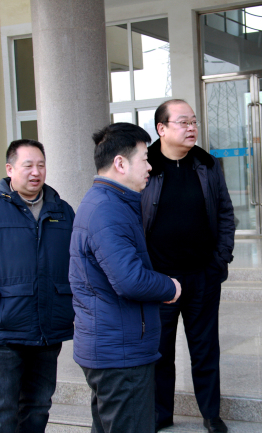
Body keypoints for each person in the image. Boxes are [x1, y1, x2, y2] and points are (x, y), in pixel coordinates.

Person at [0, 139, 75, 433]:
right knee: (1, 412)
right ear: (10, 169)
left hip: (48, 330)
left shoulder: (62, 211)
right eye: (28, 165)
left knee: (38, 407)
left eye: (41, 165)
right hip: (5, 330)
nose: (36, 172)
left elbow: (78, 263)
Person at [70, 123, 182, 433]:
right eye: (144, 158)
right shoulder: (107, 209)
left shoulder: (109, 202)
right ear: (120, 163)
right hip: (119, 353)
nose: (150, 166)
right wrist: (170, 287)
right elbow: (129, 279)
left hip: (113, 346)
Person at [142, 99, 235, 433]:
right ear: (162, 129)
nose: (191, 128)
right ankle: (160, 414)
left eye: (193, 122)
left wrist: (220, 259)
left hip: (202, 276)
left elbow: (225, 212)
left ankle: (211, 414)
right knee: (159, 351)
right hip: (159, 281)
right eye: (183, 122)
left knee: (205, 349)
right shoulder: (145, 165)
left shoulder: (207, 165)